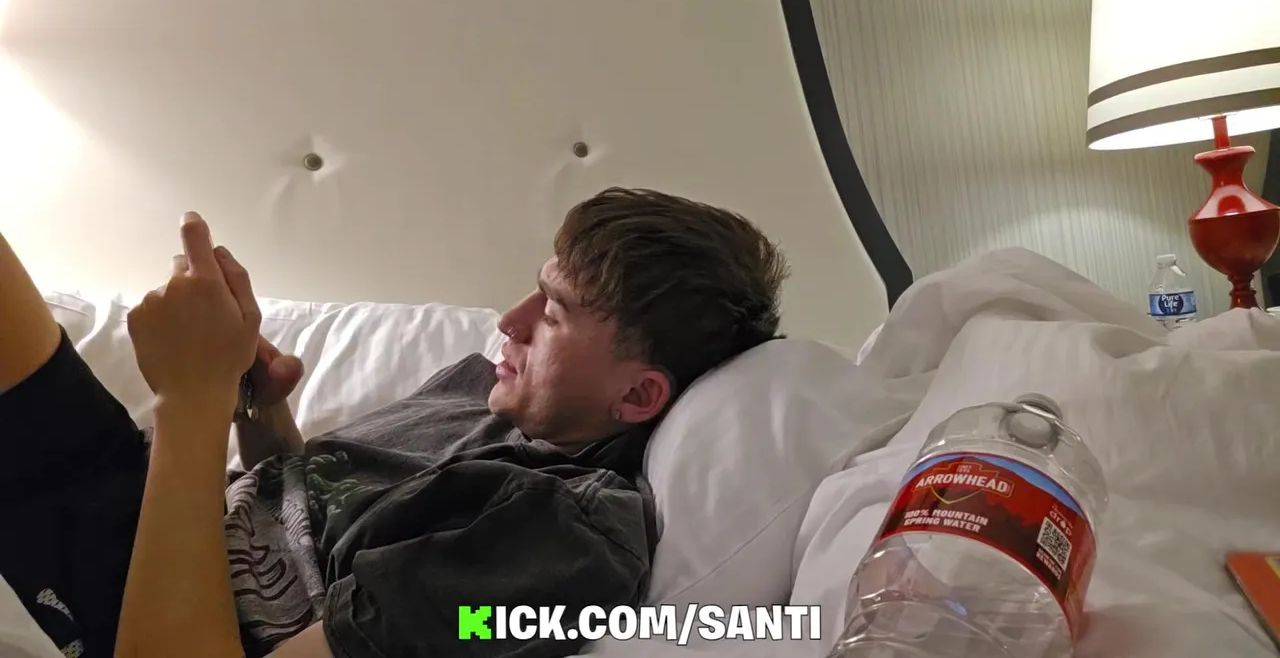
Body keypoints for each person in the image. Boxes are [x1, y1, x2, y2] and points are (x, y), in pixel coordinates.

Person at [0, 187, 789, 658]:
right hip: (142, 514)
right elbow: (310, 536)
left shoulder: (557, 538)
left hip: (129, 613)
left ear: (639, 396)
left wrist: (189, 401)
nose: (509, 322)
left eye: (552, 314)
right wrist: (253, 403)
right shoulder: (484, 394)